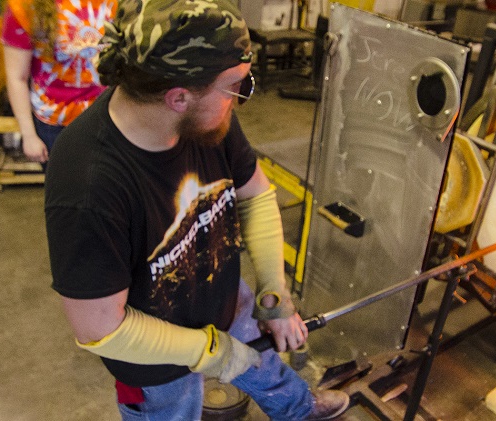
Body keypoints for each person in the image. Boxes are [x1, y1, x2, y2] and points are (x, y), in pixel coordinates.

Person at [43, 0, 349, 419]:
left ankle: (299, 408)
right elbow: (100, 329)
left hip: (222, 295)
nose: (242, 98)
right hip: (155, 361)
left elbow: (255, 194)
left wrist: (273, 292)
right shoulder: (89, 186)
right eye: (237, 86)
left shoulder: (206, 118)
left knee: (266, 367)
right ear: (178, 96)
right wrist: (212, 352)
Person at [1, 0, 117, 165]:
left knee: (108, 186)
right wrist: (28, 135)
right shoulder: (23, 6)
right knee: (66, 188)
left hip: (110, 115)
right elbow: (16, 77)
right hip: (55, 125)